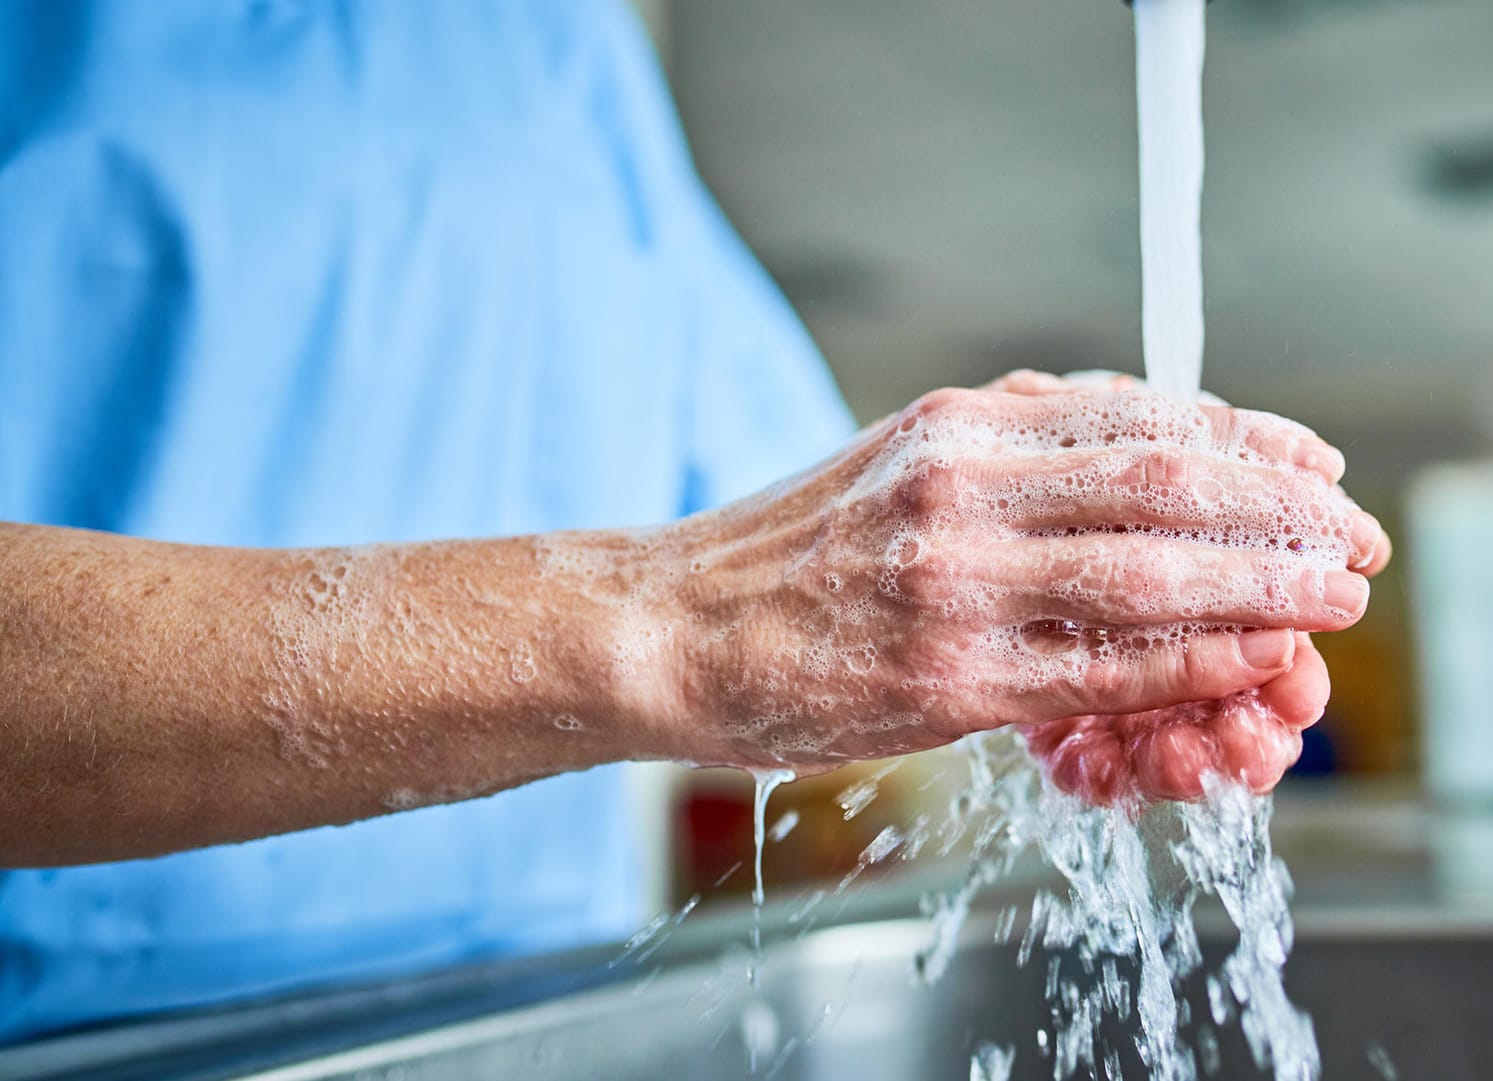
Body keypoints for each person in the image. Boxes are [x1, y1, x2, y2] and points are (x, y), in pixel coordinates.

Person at [0, 0, 1390, 1043]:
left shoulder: (556, 46)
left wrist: (1045, 552)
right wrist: (681, 625)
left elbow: (799, 512)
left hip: (526, 1030)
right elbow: (731, 588)